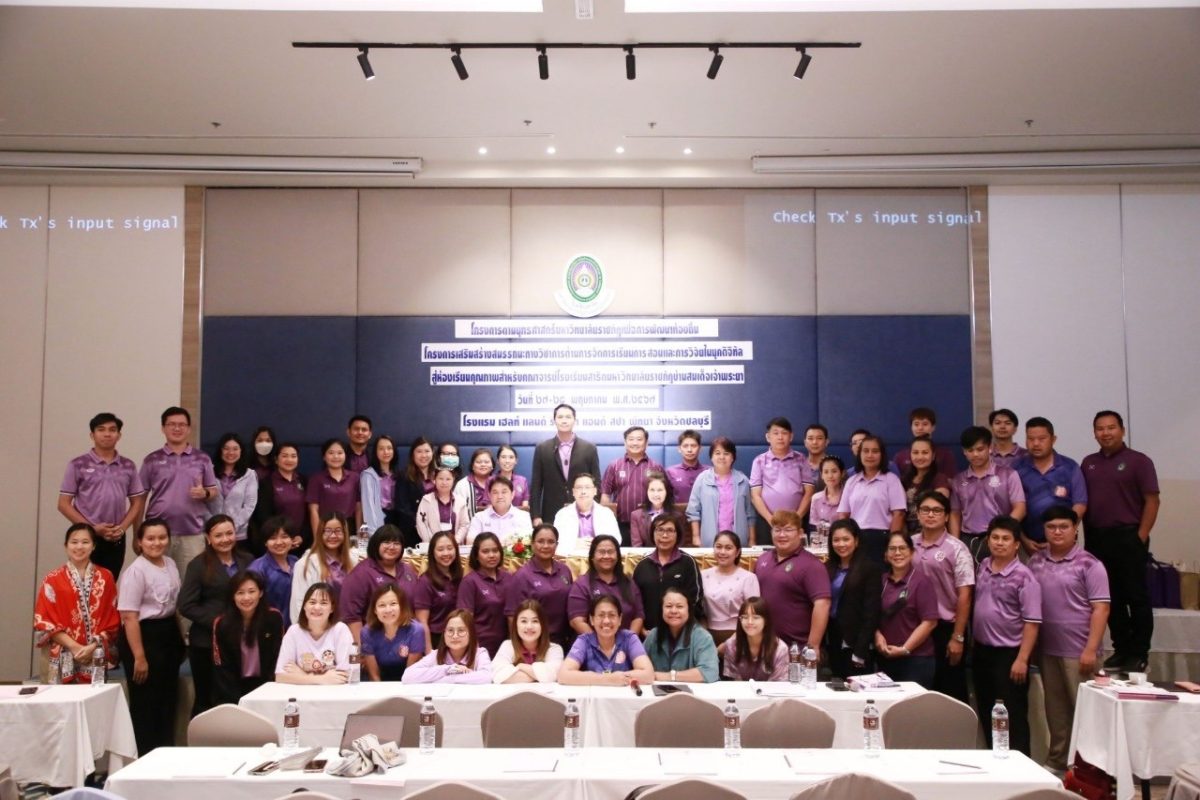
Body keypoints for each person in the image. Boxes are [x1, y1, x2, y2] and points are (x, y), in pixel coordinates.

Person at [1029, 506, 1110, 775]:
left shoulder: (1090, 564)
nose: (1057, 532)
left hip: (1080, 651)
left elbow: (1101, 609)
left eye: (1064, 526)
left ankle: (1092, 771)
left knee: (1085, 714)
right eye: (1051, 527)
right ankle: (1057, 762)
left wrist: (1090, 649)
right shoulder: (1036, 561)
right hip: (1048, 650)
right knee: (1056, 712)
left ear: (1075, 528)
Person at [1081, 410, 1160, 673]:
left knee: (1136, 597)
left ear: (1122, 430)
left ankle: (1139, 652)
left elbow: (1152, 500)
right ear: (1094, 433)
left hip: (1129, 536)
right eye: (1100, 429)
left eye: (1111, 428)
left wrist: (1141, 535)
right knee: (1107, 598)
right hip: (1097, 538)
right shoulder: (1088, 463)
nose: (1105, 433)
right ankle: (1121, 648)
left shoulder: (1139, 461)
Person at [973, 516, 1042, 757]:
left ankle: (1020, 767)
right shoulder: (982, 567)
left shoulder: (1025, 577)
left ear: (1016, 545)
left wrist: (1022, 659)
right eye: (995, 538)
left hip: (1010, 656)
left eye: (1005, 539)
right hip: (981, 652)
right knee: (986, 710)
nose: (999, 543)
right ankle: (995, 762)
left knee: (1012, 715)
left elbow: (1032, 622)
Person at [117, 518, 185, 755]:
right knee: (146, 702)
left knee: (168, 699)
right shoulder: (135, 571)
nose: (157, 543)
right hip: (142, 637)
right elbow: (129, 617)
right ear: (139, 542)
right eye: (150, 538)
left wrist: (180, 637)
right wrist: (139, 656)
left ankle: (165, 753)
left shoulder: (170, 563)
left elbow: (173, 605)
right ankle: (145, 754)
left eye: (161, 538)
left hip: (167, 634)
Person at [178, 513, 253, 717]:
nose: (225, 539)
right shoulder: (198, 565)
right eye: (218, 535)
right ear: (208, 538)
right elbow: (185, 604)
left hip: (242, 642)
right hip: (206, 643)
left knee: (239, 695)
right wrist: (219, 622)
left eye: (229, 533)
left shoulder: (247, 560)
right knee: (207, 699)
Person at [58, 412, 145, 580]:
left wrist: (122, 528)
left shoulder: (128, 465)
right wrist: (91, 528)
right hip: (86, 536)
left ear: (119, 435)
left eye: (112, 430)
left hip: (116, 537)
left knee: (109, 585)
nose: (107, 434)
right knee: (83, 583)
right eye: (101, 429)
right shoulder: (78, 464)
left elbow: (137, 502)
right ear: (92, 435)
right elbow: (63, 504)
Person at [139, 407, 218, 583]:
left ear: (189, 429)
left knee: (190, 584)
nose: (177, 428)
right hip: (158, 534)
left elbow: (213, 491)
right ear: (163, 428)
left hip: (193, 533)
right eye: (172, 424)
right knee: (155, 582)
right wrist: (138, 531)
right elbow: (140, 497)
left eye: (182, 424)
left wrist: (204, 493)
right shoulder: (151, 459)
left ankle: (183, 613)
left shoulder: (202, 458)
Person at [33, 523, 120, 683]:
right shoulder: (52, 579)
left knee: (92, 705)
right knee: (59, 705)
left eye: (85, 542)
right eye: (74, 542)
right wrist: (75, 647)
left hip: (94, 653)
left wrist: (91, 647)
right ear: (66, 546)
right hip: (61, 653)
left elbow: (112, 621)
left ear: (93, 546)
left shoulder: (106, 577)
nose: (79, 547)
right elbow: (43, 622)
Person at [910, 490, 974, 704]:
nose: (930, 515)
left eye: (937, 511)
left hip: (946, 627)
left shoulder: (957, 549)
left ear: (946, 516)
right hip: (913, 626)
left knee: (949, 691)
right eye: (925, 510)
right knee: (918, 691)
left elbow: (965, 594)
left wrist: (958, 637)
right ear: (918, 515)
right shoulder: (908, 545)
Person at [753, 510, 831, 653]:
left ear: (800, 533)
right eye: (777, 530)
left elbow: (822, 604)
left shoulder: (812, 565)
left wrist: (813, 646)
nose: (782, 535)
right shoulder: (762, 559)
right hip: (765, 647)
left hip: (798, 649)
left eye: (788, 530)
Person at [949, 426, 1026, 563]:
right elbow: (955, 513)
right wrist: (955, 543)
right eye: (970, 450)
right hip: (968, 539)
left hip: (1000, 538)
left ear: (990, 447)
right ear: (964, 452)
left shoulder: (1008, 474)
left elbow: (1020, 508)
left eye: (980, 449)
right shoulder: (958, 480)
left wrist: (1001, 530)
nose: (975, 454)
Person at [1014, 417, 1088, 554]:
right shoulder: (1016, 469)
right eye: (1030, 439)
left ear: (1053, 439)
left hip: (1064, 545)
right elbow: (1011, 508)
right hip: (1027, 545)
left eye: (1042, 439)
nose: (1036, 443)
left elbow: (1080, 505)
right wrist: (1023, 539)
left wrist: (1063, 535)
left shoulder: (1070, 467)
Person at [875, 531, 939, 688]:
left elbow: (929, 622)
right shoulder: (880, 580)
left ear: (911, 553)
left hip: (916, 659)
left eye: (902, 548)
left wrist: (905, 649)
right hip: (885, 657)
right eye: (892, 548)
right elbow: (871, 614)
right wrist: (877, 635)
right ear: (885, 554)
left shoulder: (922, 581)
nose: (897, 553)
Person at [211, 570, 284, 705]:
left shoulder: (274, 618)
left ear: (260, 593)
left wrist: (268, 694)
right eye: (240, 593)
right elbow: (222, 668)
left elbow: (277, 658)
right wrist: (237, 702)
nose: (246, 598)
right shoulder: (222, 624)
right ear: (233, 596)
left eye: (251, 591)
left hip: (267, 687)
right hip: (233, 689)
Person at [824, 519, 882, 679]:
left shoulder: (869, 569)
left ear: (856, 541)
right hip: (833, 639)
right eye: (836, 540)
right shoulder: (828, 567)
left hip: (856, 642)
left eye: (846, 539)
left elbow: (872, 612)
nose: (841, 544)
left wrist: (861, 651)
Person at [339, 524, 418, 640]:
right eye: (386, 542)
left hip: (407, 638)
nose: (391, 547)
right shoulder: (361, 574)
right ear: (376, 544)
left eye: (396, 543)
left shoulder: (408, 569)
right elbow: (352, 617)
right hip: (375, 640)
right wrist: (363, 648)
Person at [837, 435, 906, 564]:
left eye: (875, 451)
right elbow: (843, 514)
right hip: (855, 538)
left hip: (882, 538)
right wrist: (845, 539)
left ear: (882, 455)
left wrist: (892, 543)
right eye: (866, 451)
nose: (870, 455)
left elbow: (899, 514)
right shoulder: (852, 481)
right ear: (860, 454)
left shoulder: (891, 480)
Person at [558, 595, 655, 686]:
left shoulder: (629, 638)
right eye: (601, 615)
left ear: (620, 619)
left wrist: (617, 678)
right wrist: (608, 679)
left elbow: (648, 675)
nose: (606, 621)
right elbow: (563, 675)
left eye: (612, 615)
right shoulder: (584, 641)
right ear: (592, 620)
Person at [530, 403, 600, 525]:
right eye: (560, 417)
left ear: (574, 420)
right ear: (554, 421)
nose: (564, 420)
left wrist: (594, 510)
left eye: (568, 417)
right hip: (551, 512)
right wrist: (536, 515)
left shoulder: (589, 448)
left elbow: (597, 482)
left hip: (583, 510)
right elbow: (536, 485)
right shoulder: (542, 448)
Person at [631, 512, 703, 632]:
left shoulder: (687, 562)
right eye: (659, 530)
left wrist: (679, 630)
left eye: (670, 530)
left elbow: (695, 600)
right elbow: (635, 603)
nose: (664, 535)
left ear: (677, 534)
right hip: (648, 635)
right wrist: (642, 630)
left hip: (681, 633)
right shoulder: (642, 565)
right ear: (652, 533)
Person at [504, 523, 574, 646]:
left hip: (565, 641)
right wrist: (519, 647)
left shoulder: (565, 570)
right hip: (535, 643)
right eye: (540, 541)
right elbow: (512, 616)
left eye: (551, 542)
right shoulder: (522, 576)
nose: (546, 546)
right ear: (532, 544)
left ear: (556, 545)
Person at [749, 417, 814, 547]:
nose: (780, 437)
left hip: (796, 521)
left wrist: (796, 518)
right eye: (776, 433)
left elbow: (809, 492)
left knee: (797, 559)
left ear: (791, 436)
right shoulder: (759, 461)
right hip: (767, 522)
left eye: (784, 433)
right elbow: (755, 496)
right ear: (768, 437)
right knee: (768, 560)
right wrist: (771, 520)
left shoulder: (801, 459)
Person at [289, 511, 362, 623]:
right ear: (320, 533)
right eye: (327, 531)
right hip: (319, 629)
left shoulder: (355, 560)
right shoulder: (305, 564)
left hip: (350, 626)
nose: (333, 536)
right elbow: (298, 603)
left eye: (338, 531)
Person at [275, 582, 353, 684]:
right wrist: (321, 679)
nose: (317, 607)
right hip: (300, 696)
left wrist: (301, 675)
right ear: (304, 607)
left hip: (334, 695)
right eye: (312, 602)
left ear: (332, 608)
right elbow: (280, 677)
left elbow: (345, 676)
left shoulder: (341, 630)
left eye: (324, 603)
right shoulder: (294, 632)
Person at [567, 535, 646, 636]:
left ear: (617, 557)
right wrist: (601, 645)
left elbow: (638, 616)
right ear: (592, 557)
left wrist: (629, 642)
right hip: (592, 645)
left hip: (625, 646)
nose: (606, 556)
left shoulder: (628, 582)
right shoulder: (581, 585)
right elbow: (576, 621)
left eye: (611, 552)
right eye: (601, 552)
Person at [601, 425, 664, 546]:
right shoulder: (614, 466)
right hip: (620, 524)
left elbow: (664, 495)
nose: (635, 443)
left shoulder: (656, 467)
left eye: (639, 439)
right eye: (631, 439)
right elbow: (605, 495)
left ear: (646, 443)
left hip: (649, 524)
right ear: (625, 442)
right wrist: (606, 522)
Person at [687, 437, 754, 547]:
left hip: (738, 541)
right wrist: (696, 537)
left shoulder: (743, 480)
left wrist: (752, 539)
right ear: (711, 457)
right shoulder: (702, 479)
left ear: (733, 457)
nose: (722, 457)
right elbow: (693, 511)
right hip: (710, 541)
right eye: (717, 453)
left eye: (726, 453)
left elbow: (750, 513)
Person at [643, 587, 719, 682]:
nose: (674, 611)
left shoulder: (702, 637)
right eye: (668, 606)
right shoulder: (653, 635)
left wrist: (669, 676)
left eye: (679, 606)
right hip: (656, 694)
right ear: (661, 609)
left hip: (694, 694)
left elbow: (710, 672)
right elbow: (640, 667)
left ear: (689, 610)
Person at [700, 530, 760, 647]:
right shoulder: (703, 575)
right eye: (719, 547)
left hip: (740, 636)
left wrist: (731, 642)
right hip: (706, 636)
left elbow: (754, 614)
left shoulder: (748, 578)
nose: (722, 552)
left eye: (728, 548)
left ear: (737, 552)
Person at [401, 608, 492, 684]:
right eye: (450, 630)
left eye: (461, 630)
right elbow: (407, 676)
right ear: (444, 634)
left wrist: (449, 678)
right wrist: (447, 669)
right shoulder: (436, 655)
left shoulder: (480, 653)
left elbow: (487, 677)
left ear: (471, 633)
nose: (455, 636)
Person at [457, 532, 510, 656]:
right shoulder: (469, 582)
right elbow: (465, 621)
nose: (491, 555)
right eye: (485, 551)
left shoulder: (509, 578)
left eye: (495, 550)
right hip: (480, 647)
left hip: (507, 646)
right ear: (476, 555)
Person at [361, 584, 426, 681]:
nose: (388, 610)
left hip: (408, 682)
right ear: (375, 610)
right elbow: (374, 676)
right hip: (379, 684)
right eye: (382, 605)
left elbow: (410, 675)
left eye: (393, 604)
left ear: (402, 606)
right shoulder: (367, 632)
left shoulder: (416, 630)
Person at [412, 530, 463, 653]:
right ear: (432, 553)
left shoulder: (460, 576)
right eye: (440, 549)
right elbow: (422, 621)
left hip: (459, 637)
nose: (446, 553)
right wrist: (429, 652)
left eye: (450, 548)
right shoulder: (425, 581)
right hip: (437, 640)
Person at [491, 599, 564, 684]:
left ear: (542, 625)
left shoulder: (554, 649)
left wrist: (521, 667)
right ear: (516, 625)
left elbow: (553, 674)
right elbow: (497, 675)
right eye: (524, 621)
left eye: (535, 621)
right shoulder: (507, 645)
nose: (529, 626)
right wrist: (538, 677)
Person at [254, 442, 309, 552]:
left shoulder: (304, 480)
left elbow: (309, 512)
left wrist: (302, 536)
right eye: (284, 456)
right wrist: (282, 538)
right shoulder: (266, 483)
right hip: (276, 542)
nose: (289, 460)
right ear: (276, 459)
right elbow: (263, 515)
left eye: (293, 456)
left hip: (300, 541)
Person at [719, 596, 789, 681]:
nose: (750, 622)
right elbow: (735, 683)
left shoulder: (780, 649)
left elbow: (778, 686)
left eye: (756, 617)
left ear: (766, 620)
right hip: (740, 693)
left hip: (770, 692)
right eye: (745, 617)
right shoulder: (731, 645)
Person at [209, 432, 258, 549]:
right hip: (212, 533)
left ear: (241, 451)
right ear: (220, 451)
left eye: (235, 449)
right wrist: (214, 527)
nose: (230, 453)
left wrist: (230, 528)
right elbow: (203, 504)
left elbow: (249, 505)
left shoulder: (249, 474)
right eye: (226, 449)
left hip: (238, 534)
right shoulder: (209, 471)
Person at [247, 516, 299, 626]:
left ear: (292, 539)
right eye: (273, 538)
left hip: (295, 626)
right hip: (267, 627)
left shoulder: (297, 563)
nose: (279, 542)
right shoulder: (257, 568)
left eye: (284, 537)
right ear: (265, 542)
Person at [305, 438, 362, 536]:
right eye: (331, 453)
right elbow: (313, 510)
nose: (336, 456)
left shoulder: (355, 477)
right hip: (326, 527)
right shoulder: (316, 479)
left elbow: (358, 507)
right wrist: (317, 538)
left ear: (345, 455)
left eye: (340, 453)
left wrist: (359, 533)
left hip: (348, 527)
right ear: (324, 456)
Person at [553, 472, 620, 554]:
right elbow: (555, 542)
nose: (583, 492)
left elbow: (617, 540)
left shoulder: (606, 513)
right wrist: (574, 544)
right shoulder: (562, 514)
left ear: (595, 491)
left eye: (587, 487)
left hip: (600, 558)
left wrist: (597, 544)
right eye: (579, 488)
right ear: (573, 492)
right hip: (572, 559)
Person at [900, 436, 951, 535]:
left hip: (931, 532)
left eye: (925, 453)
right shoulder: (904, 480)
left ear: (933, 456)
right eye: (915, 453)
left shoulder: (940, 479)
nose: (920, 457)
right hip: (907, 535)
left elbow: (938, 506)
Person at [892, 407, 959, 479]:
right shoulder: (900, 457)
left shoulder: (946, 455)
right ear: (911, 427)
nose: (920, 428)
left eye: (925, 424)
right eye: (916, 424)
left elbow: (951, 481)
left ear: (933, 427)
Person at [394, 436, 437, 546]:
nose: (423, 455)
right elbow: (402, 506)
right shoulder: (404, 476)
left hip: (438, 529)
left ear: (432, 453)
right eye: (419, 451)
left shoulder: (439, 474)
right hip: (412, 530)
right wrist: (421, 523)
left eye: (427, 451)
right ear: (413, 454)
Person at [466, 477, 533, 544]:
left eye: (504, 492)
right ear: (489, 495)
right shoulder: (479, 517)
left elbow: (528, 542)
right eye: (495, 492)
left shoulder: (523, 516)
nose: (500, 496)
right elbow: (470, 541)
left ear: (512, 494)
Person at [416, 466, 471, 543]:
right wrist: (432, 543)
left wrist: (455, 542)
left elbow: (464, 525)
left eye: (448, 479)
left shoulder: (461, 501)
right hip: (431, 545)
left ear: (453, 480)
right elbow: (421, 524)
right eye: (440, 479)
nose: (444, 482)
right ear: (434, 480)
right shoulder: (426, 500)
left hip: (455, 545)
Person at [360, 434, 399, 532]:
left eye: (389, 448)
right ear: (375, 452)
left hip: (397, 519)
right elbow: (368, 507)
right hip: (379, 519)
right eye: (381, 449)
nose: (386, 452)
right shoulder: (368, 475)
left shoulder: (398, 474)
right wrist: (374, 532)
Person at [629, 471, 675, 547]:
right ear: (647, 492)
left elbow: (679, 546)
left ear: (667, 492)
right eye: (652, 490)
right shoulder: (636, 515)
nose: (656, 494)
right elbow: (637, 546)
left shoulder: (677, 516)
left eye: (660, 490)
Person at [808, 455, 846, 544]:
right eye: (826, 472)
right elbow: (814, 528)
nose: (830, 476)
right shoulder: (816, 498)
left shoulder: (849, 497)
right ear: (821, 475)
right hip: (822, 544)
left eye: (834, 471)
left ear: (842, 473)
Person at [455, 447, 496, 523]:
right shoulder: (462, 485)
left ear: (492, 465)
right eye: (479, 462)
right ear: (472, 466)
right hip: (469, 529)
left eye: (486, 462)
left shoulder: (499, 483)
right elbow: (457, 512)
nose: (483, 464)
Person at [666, 430, 703, 508]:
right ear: (679, 449)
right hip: (677, 517)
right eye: (685, 446)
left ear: (700, 448)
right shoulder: (670, 472)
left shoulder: (709, 472)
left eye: (693, 446)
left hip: (705, 517)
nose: (689, 450)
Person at [495, 444, 530, 511]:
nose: (507, 461)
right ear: (497, 461)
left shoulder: (522, 480)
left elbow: (525, 508)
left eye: (511, 457)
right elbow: (489, 507)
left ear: (516, 461)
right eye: (503, 457)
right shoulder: (491, 480)